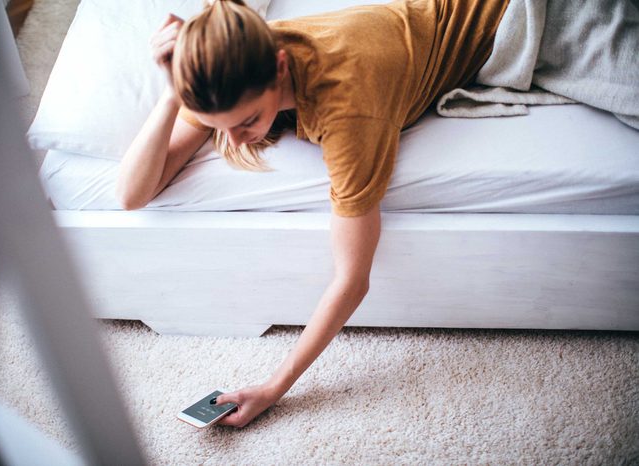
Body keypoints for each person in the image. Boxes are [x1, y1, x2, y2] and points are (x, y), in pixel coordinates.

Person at [116, 0, 511, 428]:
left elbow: (352, 279)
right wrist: (173, 92)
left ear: (281, 68)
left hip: (511, 20)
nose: (234, 139)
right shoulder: (234, 67)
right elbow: (132, 194)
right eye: (218, 125)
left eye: (247, 121)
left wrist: (273, 388)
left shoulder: (347, 110)